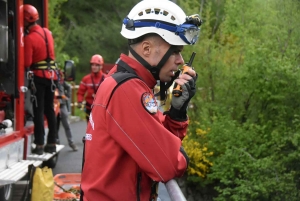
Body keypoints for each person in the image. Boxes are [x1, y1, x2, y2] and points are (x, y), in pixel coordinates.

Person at [80, 0, 202, 200]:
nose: (180, 61)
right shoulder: (127, 90)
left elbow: (158, 141)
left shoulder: (123, 81)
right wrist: (179, 155)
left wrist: (177, 113)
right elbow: (170, 165)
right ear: (146, 49)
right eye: (176, 51)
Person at [24, 4, 58, 155]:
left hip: (38, 77)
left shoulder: (30, 38)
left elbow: (26, 63)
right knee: (50, 109)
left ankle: (39, 145)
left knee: (38, 110)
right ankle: (52, 142)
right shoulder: (47, 33)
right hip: (52, 76)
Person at [76, 54, 106, 122]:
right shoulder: (86, 79)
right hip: (89, 108)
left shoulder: (106, 79)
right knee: (90, 129)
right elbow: (80, 92)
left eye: (96, 65)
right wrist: (79, 101)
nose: (94, 67)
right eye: (92, 65)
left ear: (101, 66)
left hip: (102, 108)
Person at [56, 70, 78, 151]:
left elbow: (68, 87)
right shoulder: (50, 80)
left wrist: (67, 97)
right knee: (54, 125)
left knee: (66, 125)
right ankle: (55, 141)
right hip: (52, 106)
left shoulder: (60, 80)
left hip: (61, 105)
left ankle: (71, 142)